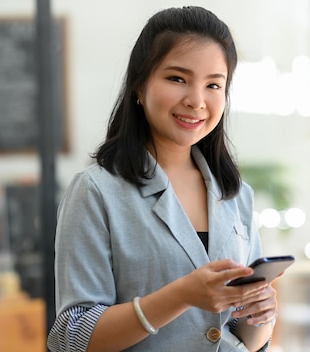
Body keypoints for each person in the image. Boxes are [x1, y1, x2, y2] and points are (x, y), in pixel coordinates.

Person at [47, 6, 278, 352]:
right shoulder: (95, 192)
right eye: (177, 79)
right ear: (140, 85)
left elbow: (239, 335)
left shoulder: (236, 194)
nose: (197, 101)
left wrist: (262, 315)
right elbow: (72, 336)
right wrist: (182, 295)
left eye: (214, 84)